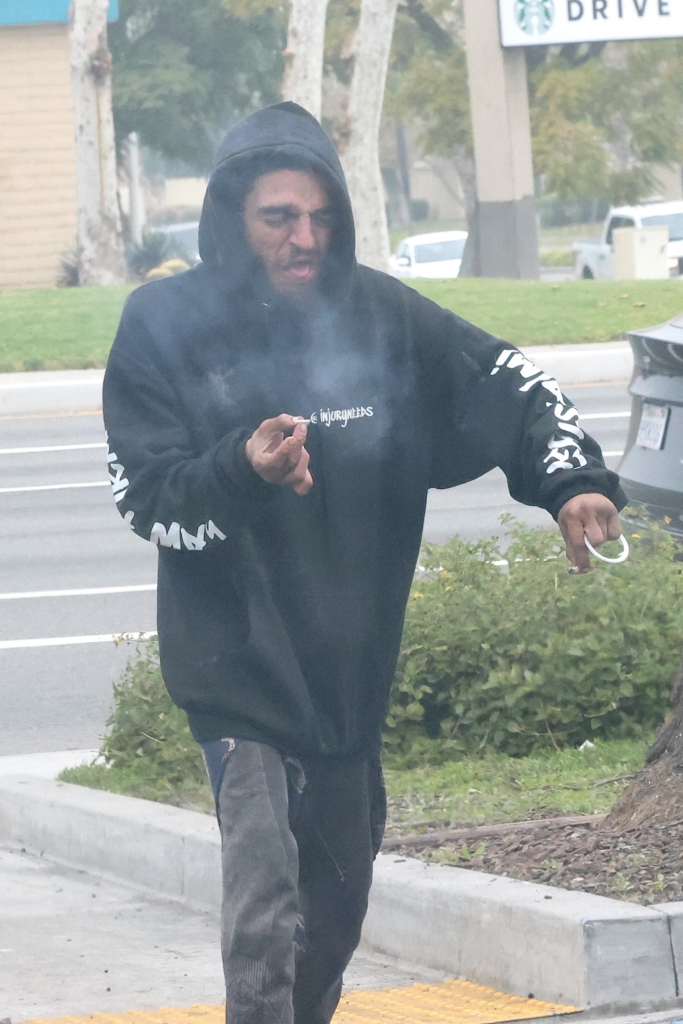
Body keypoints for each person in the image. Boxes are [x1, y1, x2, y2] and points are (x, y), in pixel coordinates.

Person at [103, 102, 625, 1024]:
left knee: (334, 917)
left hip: (347, 681)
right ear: (233, 219)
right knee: (265, 908)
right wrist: (245, 468)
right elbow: (148, 501)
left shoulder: (382, 315)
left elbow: (510, 381)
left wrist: (570, 481)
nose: (304, 238)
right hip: (240, 674)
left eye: (320, 218)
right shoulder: (163, 325)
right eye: (278, 218)